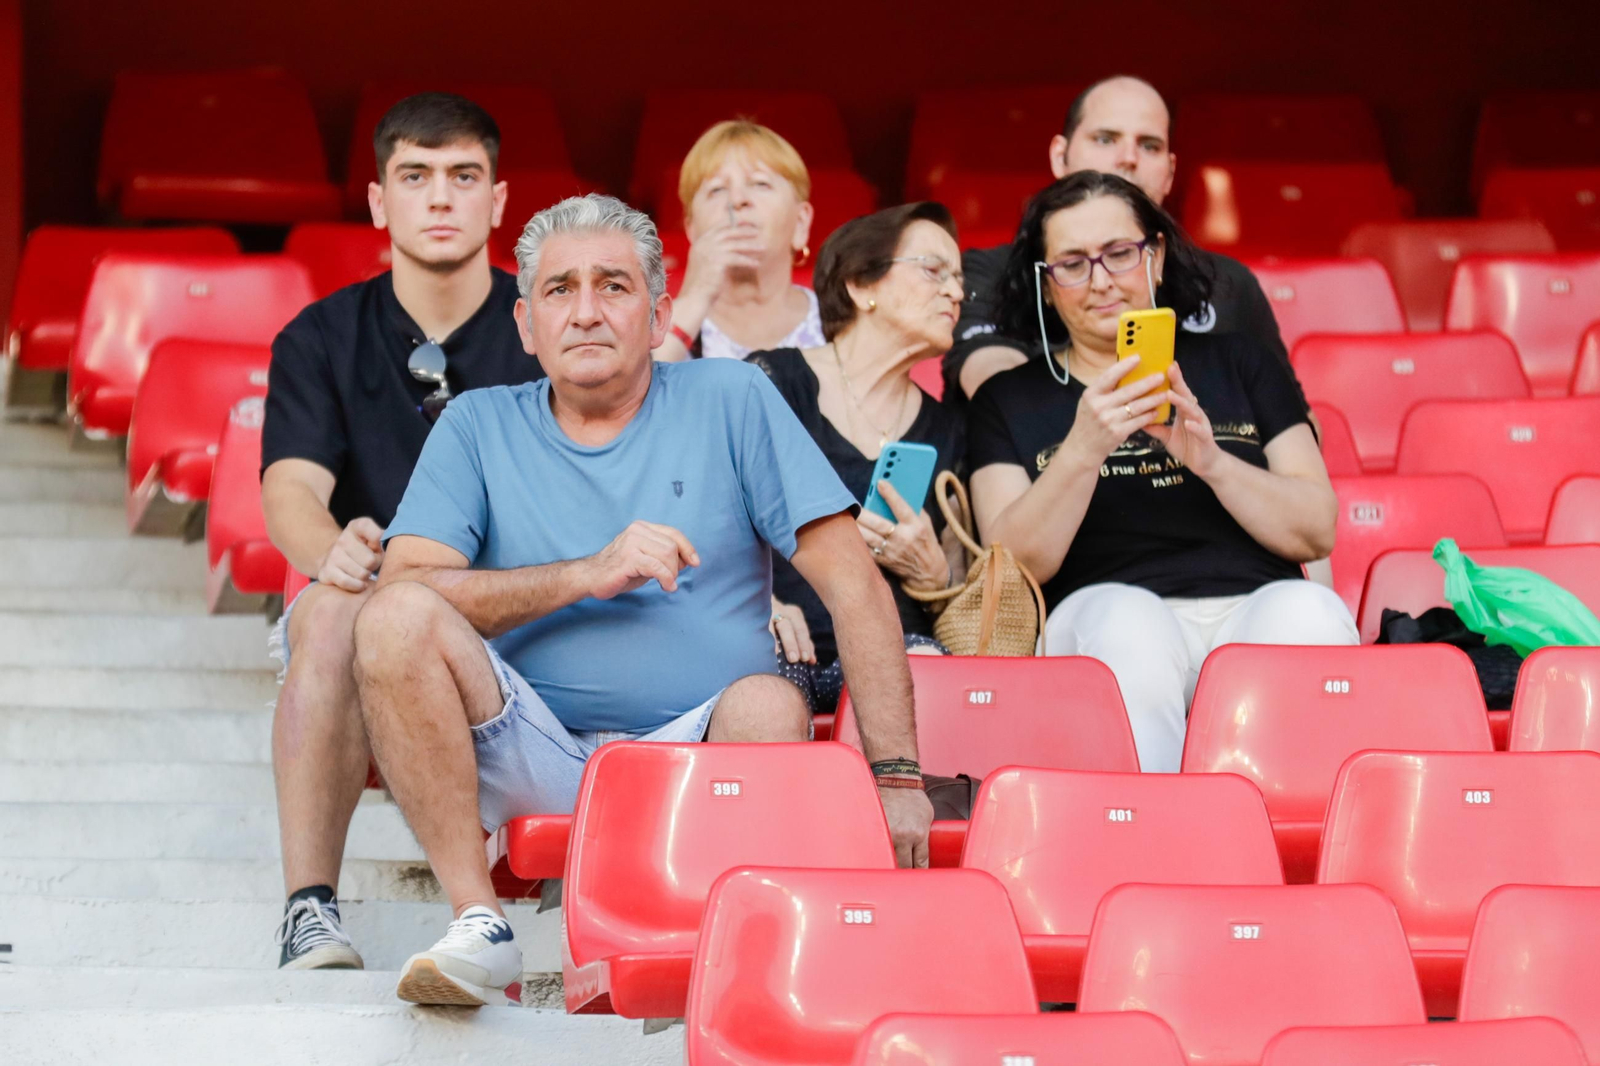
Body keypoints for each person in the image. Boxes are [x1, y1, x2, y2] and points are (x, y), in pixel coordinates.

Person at [351, 194, 934, 1007]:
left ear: (660, 315)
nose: (586, 312)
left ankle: (742, 963)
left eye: (613, 287)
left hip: (695, 754)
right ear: (526, 325)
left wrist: (899, 779)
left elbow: (856, 588)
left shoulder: (733, 398)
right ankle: (478, 923)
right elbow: (406, 588)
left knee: (770, 702)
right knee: (391, 616)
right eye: (559, 290)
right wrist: (587, 573)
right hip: (529, 745)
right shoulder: (477, 423)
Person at [260, 92, 546, 971]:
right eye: (414, 177)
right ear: (381, 202)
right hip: (379, 601)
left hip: (523, 608)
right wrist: (329, 550)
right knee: (335, 610)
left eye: (465, 176)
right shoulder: (320, 336)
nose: (441, 198)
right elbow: (291, 488)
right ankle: (309, 908)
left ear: (499, 202)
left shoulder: (550, 325)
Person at [967, 171, 1355, 774]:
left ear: (1157, 256)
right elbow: (1014, 565)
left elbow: (1317, 530)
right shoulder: (1009, 398)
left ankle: (1280, 838)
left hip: (1254, 601)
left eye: (1119, 254)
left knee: (1310, 615)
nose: (1100, 282)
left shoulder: (1239, 361)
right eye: (1071, 264)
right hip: (1103, 612)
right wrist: (1083, 448)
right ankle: (1158, 833)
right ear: (1045, 287)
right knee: (1131, 623)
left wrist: (1213, 463)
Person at [945, 75, 1294, 404]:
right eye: (1105, 139)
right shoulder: (988, 270)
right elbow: (991, 381)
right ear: (1059, 157)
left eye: (1149, 145)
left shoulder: (1229, 283)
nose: (1128, 158)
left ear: (1170, 173)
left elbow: (1297, 422)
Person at [748, 202, 966, 712]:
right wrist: (765, 608)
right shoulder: (770, 382)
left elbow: (957, 572)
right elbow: (707, 524)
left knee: (929, 676)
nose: (956, 292)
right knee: (759, 689)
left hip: (898, 650)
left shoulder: (950, 423)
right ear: (861, 284)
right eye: (935, 271)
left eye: (959, 279)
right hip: (781, 642)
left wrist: (936, 577)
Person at [653, 120, 823, 361]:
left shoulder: (842, 322)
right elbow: (634, 394)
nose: (737, 199)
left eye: (760, 184)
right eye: (717, 190)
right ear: (692, 230)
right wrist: (695, 297)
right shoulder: (652, 325)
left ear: (801, 223)